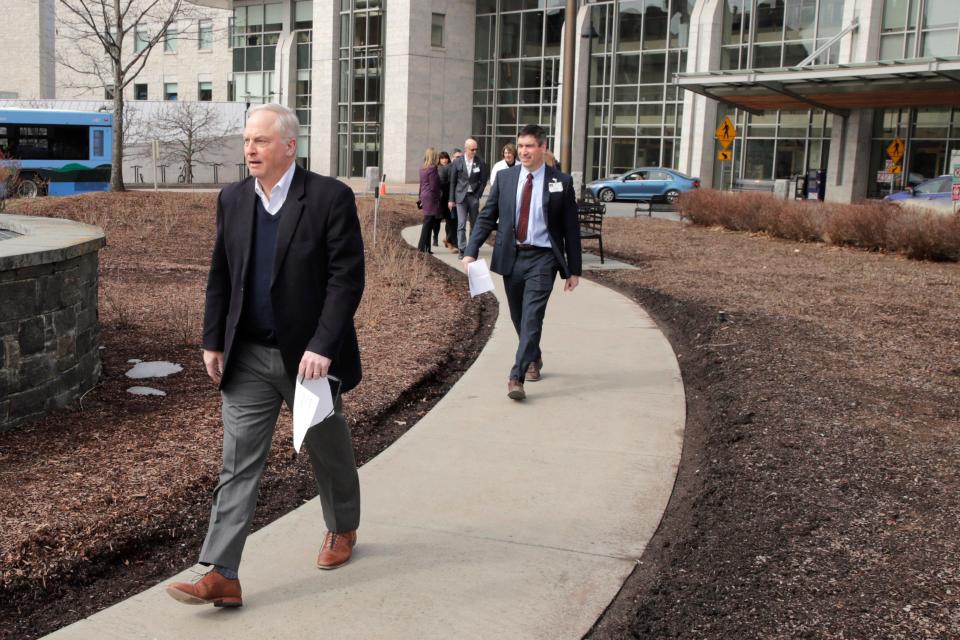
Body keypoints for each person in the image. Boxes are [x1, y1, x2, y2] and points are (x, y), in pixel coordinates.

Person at [166, 104, 365, 608]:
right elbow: (221, 274)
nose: (249, 149)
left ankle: (342, 527)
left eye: (260, 140)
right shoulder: (233, 198)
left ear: (289, 146)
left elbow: (346, 279)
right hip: (248, 356)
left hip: (308, 362)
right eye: (247, 140)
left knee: (328, 452)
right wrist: (213, 338)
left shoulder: (328, 198)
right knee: (238, 464)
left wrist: (323, 345)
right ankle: (220, 570)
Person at [462, 124, 581, 401]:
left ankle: (516, 376)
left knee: (532, 317)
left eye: (529, 146)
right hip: (512, 257)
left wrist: (573, 269)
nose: (524, 151)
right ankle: (534, 356)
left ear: (543, 147)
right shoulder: (505, 178)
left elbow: (570, 228)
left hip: (543, 258)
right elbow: (487, 217)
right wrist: (471, 250)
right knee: (518, 316)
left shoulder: (561, 182)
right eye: (521, 146)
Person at [447, 138, 489, 258]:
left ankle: (472, 249)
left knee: (474, 224)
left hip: (473, 197)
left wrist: (478, 194)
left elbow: (483, 180)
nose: (474, 151)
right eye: (472, 149)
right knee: (461, 224)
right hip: (460, 197)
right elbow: (453, 182)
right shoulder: (457, 162)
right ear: (466, 149)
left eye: (476, 149)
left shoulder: (480, 162)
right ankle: (462, 249)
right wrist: (451, 199)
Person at [417, 147, 442, 253]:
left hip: (424, 196)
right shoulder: (432, 168)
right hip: (431, 197)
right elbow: (434, 186)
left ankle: (426, 247)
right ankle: (422, 247)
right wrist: (438, 197)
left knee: (428, 221)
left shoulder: (423, 168)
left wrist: (420, 197)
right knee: (428, 222)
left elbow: (421, 184)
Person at [437, 151, 458, 252]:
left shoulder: (451, 167)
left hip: (449, 197)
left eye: (445, 158)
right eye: (442, 158)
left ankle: (449, 240)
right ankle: (441, 239)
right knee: (447, 220)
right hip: (441, 198)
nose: (444, 160)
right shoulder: (437, 168)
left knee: (451, 221)